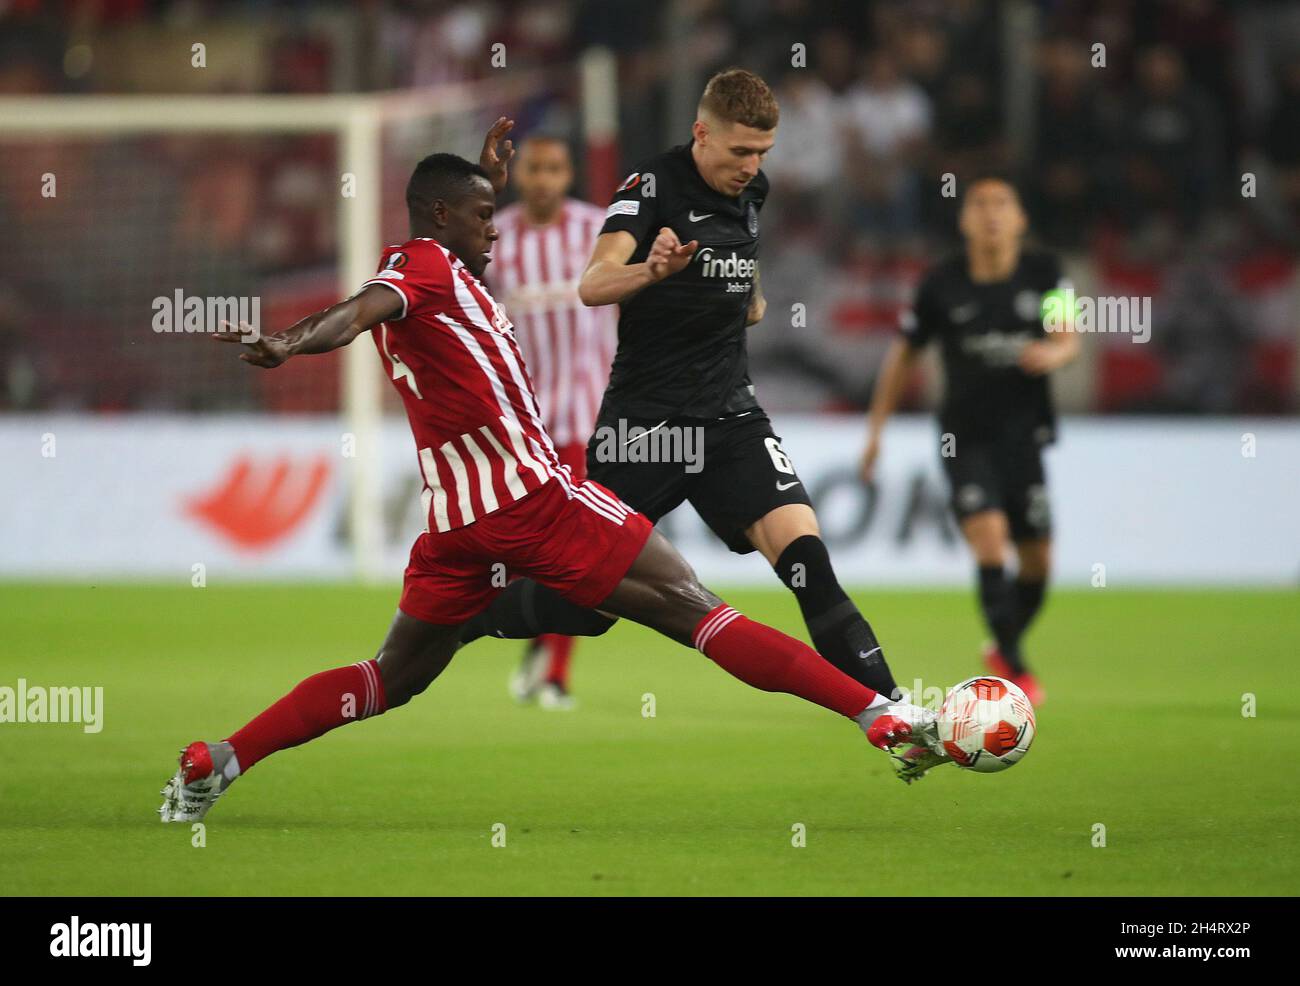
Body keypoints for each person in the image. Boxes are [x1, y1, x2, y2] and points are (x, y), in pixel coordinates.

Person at [159, 120, 949, 823]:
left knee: (390, 678)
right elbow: (364, 306)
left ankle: (219, 760)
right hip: (534, 499)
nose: (494, 229)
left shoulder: (441, 264)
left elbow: (423, 257)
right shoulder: (422, 267)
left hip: (455, 523)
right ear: (441, 219)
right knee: (696, 609)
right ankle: (878, 716)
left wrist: (479, 179)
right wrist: (293, 340)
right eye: (480, 216)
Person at [456, 71, 915, 743]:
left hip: (732, 419)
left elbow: (743, 267)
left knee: (809, 568)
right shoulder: (650, 189)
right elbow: (592, 284)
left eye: (762, 152)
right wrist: (652, 271)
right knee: (588, 607)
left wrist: (748, 300)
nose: (751, 167)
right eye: (739, 152)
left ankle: (899, 718)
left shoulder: (753, 190)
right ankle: (465, 617)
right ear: (702, 132)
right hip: (644, 427)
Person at [861, 175, 1079, 704]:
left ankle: (1002, 643)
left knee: (1037, 563)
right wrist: (875, 431)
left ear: (1021, 219)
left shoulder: (1048, 273)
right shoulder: (941, 282)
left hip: (1025, 435)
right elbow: (904, 355)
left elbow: (1067, 335)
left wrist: (1055, 353)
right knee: (988, 535)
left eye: (1002, 204)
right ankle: (1018, 671)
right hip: (964, 437)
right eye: (979, 205)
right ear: (964, 221)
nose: (990, 214)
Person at [489, 135, 617, 710]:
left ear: (569, 175)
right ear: (520, 176)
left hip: (585, 419)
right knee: (521, 553)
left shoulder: (599, 230)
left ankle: (557, 672)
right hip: (518, 423)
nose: (543, 178)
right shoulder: (496, 238)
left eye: (555, 168)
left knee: (578, 553)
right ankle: (536, 644)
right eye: (534, 168)